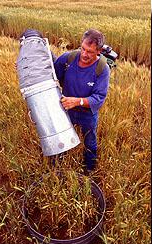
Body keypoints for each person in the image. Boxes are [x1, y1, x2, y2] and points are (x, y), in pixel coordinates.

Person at [54, 29, 110, 174]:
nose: (84, 54)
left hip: (87, 114)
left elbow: (98, 98)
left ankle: (89, 171)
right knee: (62, 137)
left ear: (98, 51)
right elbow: (50, 71)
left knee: (89, 142)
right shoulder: (69, 58)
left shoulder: (102, 69)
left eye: (90, 52)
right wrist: (26, 67)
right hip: (66, 109)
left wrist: (77, 102)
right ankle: (58, 167)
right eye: (83, 49)